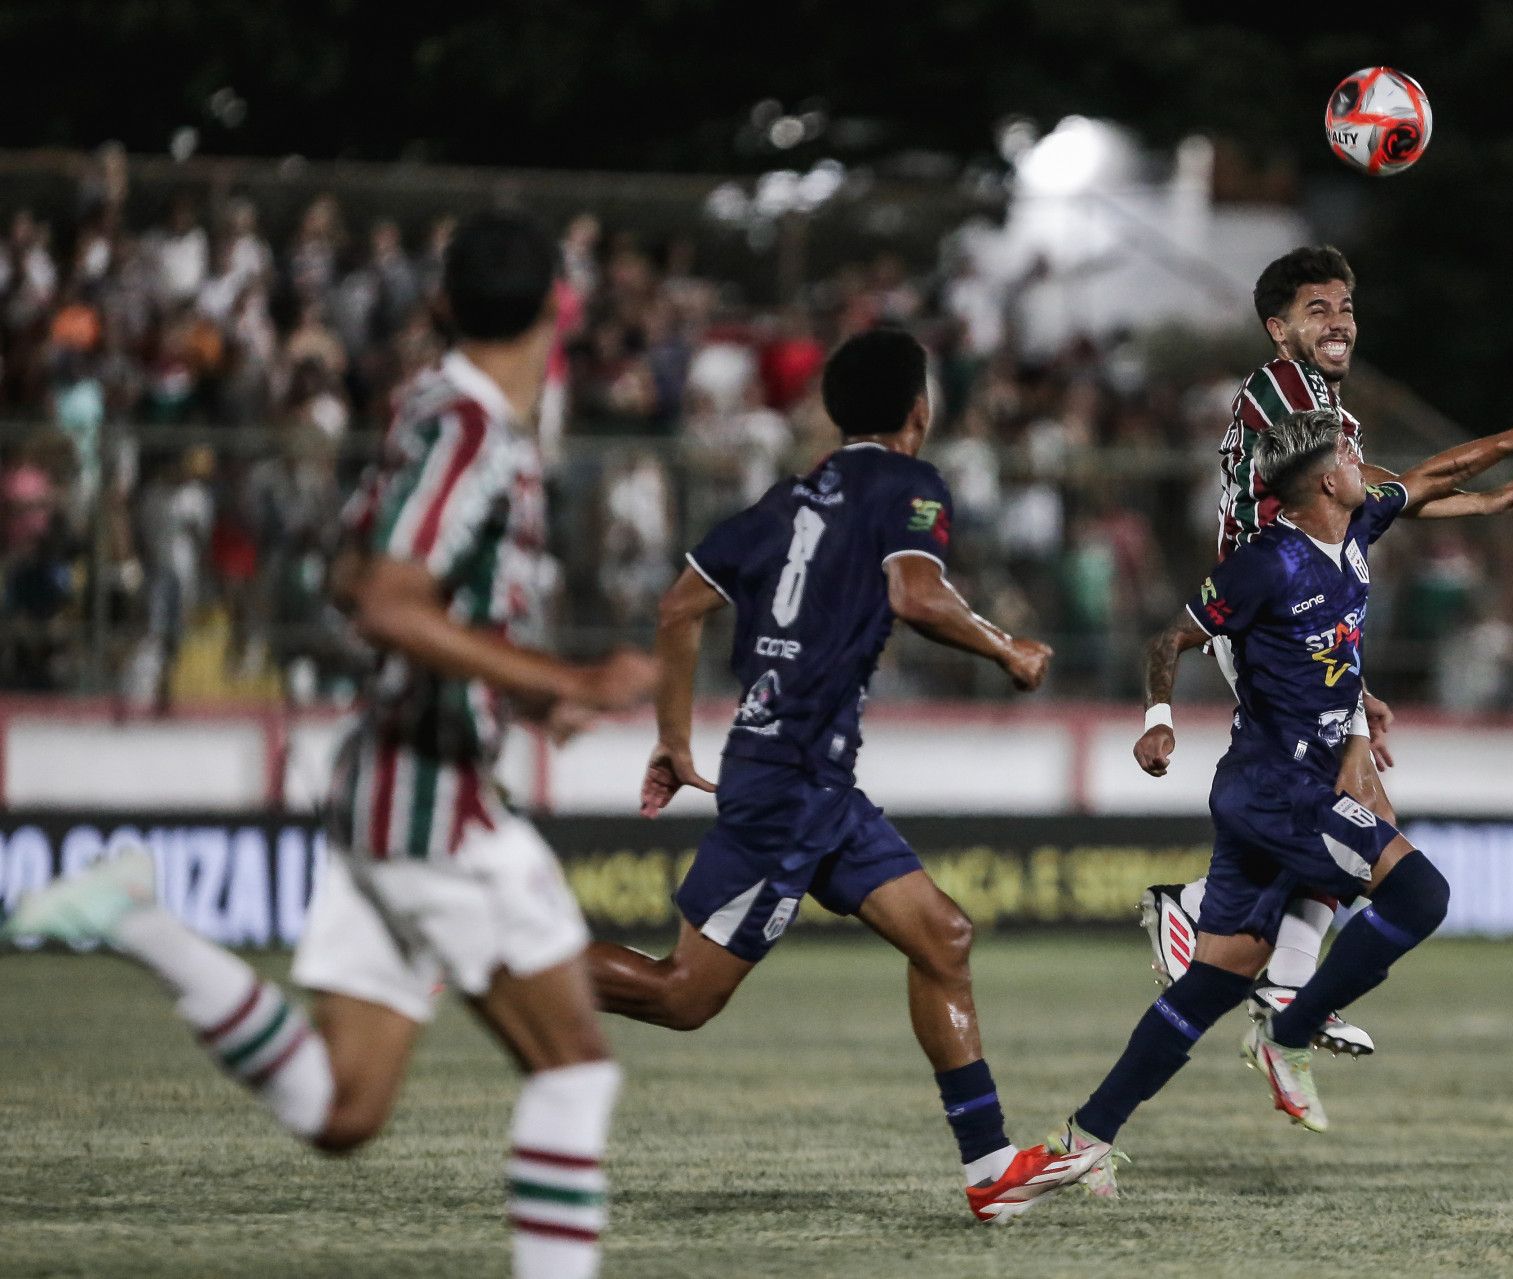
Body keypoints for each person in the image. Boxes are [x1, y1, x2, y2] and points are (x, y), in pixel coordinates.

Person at [4, 212, 657, 1279]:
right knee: (574, 1070)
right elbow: (389, 601)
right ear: (557, 314)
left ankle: (141, 921)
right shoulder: (476, 431)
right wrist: (563, 679)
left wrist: (529, 700)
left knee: (346, 1109)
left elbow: (366, 582)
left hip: (389, 785)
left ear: (441, 305)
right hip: (435, 799)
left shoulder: (426, 409)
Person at [584, 327, 1105, 1223]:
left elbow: (680, 605)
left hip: (811, 777)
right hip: (789, 780)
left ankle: (988, 1165)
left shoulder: (790, 497)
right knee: (683, 996)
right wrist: (1005, 647)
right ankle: (501, 952)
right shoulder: (907, 482)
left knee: (943, 935)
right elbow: (916, 592)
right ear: (920, 410)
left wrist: (675, 736)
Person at [1041, 408, 1513, 1194]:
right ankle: (1288, 1028)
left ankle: (1084, 1133)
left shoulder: (1353, 532)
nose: (1367, 463)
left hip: (1286, 788)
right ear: (1328, 478)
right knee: (1421, 892)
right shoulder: (1267, 563)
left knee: (1216, 982)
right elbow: (1169, 638)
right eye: (1353, 452)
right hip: (1275, 789)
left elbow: (1431, 476)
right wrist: (1158, 721)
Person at [1140, 244, 1513, 1057]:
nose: (1339, 321)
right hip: (1271, 612)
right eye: (1317, 309)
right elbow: (1370, 483)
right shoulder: (1287, 389)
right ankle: (1233, 937)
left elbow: (1371, 494)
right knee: (1352, 809)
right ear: (1276, 329)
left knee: (1354, 809)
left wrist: (1474, 501)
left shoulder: (1313, 399)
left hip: (1302, 616)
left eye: (1346, 307)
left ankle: (1264, 960)